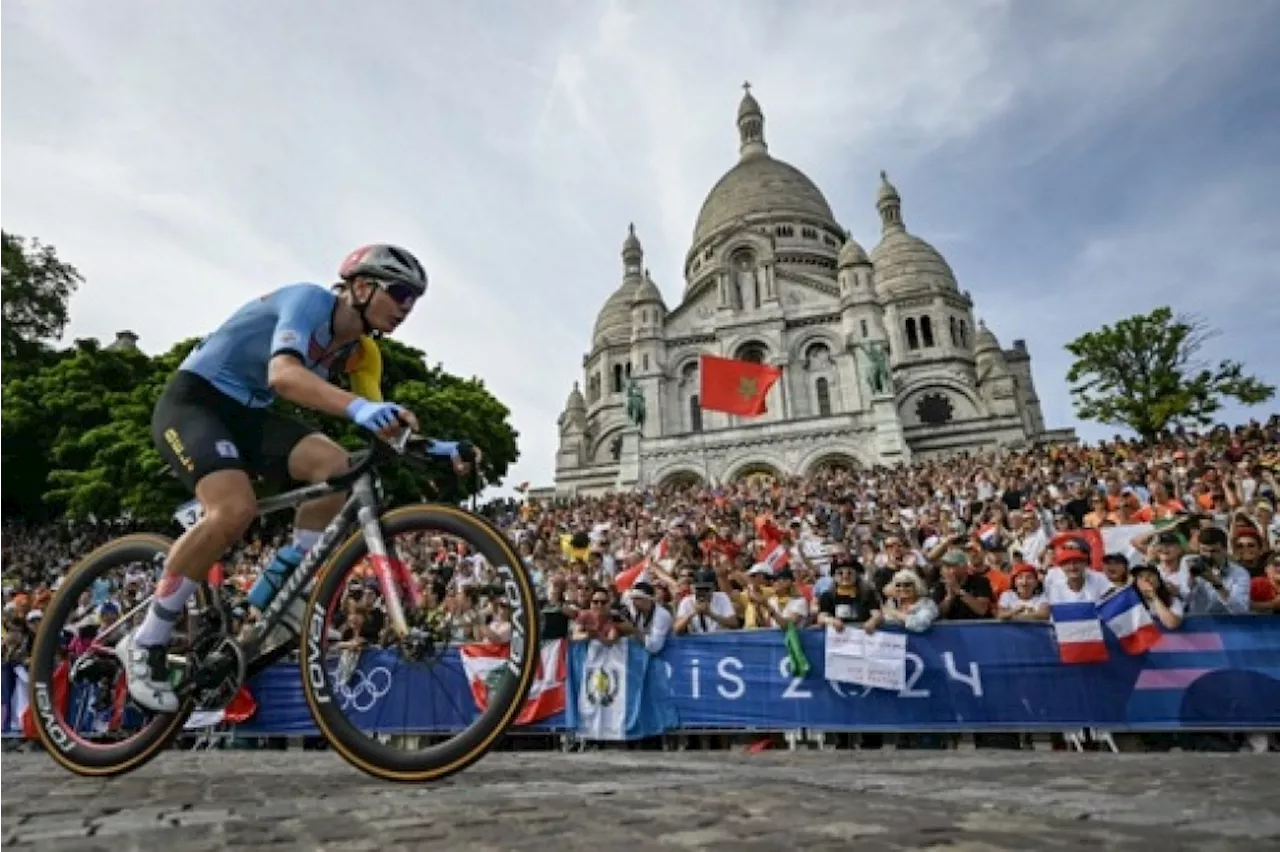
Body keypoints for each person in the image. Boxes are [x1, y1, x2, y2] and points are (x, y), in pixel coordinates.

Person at [117, 244, 479, 713]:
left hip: (251, 417)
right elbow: (284, 376)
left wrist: (441, 447)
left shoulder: (363, 354)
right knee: (234, 509)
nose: (407, 308)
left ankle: (286, 589)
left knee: (339, 467)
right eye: (401, 293)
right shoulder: (309, 302)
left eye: (415, 300)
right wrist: (362, 408)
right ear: (363, 287)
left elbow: (380, 427)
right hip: (196, 403)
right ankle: (146, 641)